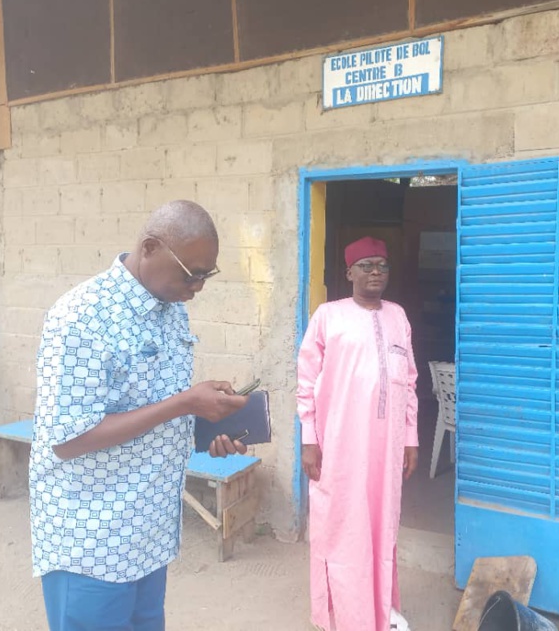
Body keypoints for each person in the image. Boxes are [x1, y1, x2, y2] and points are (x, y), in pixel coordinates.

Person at [29, 200, 249, 631]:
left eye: (208, 274)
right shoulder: (81, 317)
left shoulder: (171, 310)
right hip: (91, 542)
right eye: (192, 273)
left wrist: (208, 426)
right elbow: (68, 437)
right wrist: (185, 403)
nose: (199, 286)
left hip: (148, 533)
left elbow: (156, 407)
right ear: (150, 248)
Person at [297, 236, 419, 631]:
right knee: (341, 527)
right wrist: (308, 439)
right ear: (349, 272)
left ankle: (378, 611)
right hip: (338, 444)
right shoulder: (328, 316)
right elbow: (306, 382)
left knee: (382, 526)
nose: (375, 272)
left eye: (382, 265)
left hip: (385, 449)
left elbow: (410, 382)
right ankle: (339, 617)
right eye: (366, 265)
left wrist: (410, 438)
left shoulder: (398, 316)